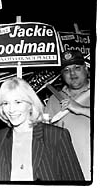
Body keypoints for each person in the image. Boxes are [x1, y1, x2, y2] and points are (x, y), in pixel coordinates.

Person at [0, 77, 84, 181]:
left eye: (18, 102)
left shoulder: (56, 136)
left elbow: (75, 180)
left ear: (30, 105)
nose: (11, 109)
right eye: (5, 103)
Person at [45, 50, 91, 180]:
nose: (72, 73)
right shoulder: (54, 100)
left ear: (86, 69)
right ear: (62, 75)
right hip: (68, 171)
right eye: (66, 70)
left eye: (77, 68)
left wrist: (81, 109)